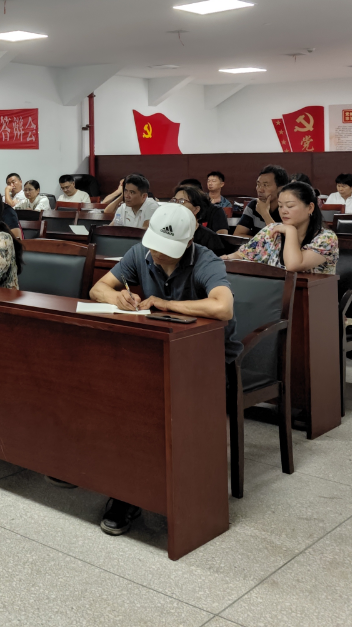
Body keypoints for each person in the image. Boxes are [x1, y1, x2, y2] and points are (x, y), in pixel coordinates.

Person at [85, 203, 235, 535]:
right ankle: (118, 483)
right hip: (156, 351)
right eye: (154, 245)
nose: (156, 253)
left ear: (188, 242)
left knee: (145, 406)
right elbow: (98, 289)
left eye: (166, 249)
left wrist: (164, 304)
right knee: (106, 391)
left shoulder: (205, 260)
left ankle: (149, 492)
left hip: (205, 360)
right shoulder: (141, 253)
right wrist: (117, 299)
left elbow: (223, 307)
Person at [225, 181, 338, 274]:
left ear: (310, 208)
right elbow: (242, 255)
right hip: (273, 292)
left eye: (290, 206)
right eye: (280, 206)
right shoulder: (272, 230)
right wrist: (225, 259)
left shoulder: (326, 238)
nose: (283, 211)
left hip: (311, 293)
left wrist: (290, 231)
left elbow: (293, 265)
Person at [233, 165, 289, 236]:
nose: (260, 190)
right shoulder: (254, 205)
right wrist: (260, 241)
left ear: (281, 188)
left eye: (265, 185)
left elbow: (280, 239)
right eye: (258, 184)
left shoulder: (288, 209)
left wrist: (264, 214)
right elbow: (238, 235)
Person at [171, 186, 227, 254]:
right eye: (174, 200)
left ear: (196, 209)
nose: (176, 205)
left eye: (181, 201)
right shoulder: (166, 231)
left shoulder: (210, 238)